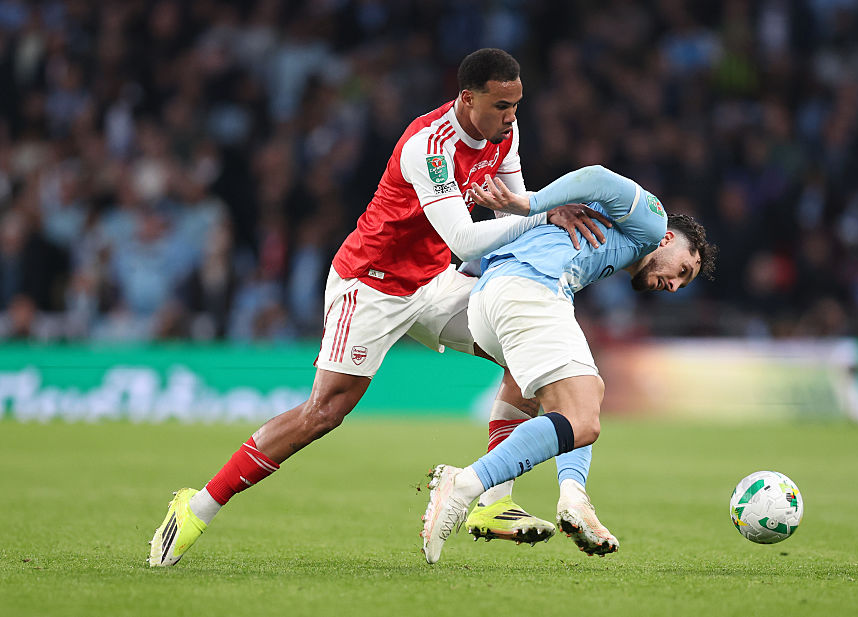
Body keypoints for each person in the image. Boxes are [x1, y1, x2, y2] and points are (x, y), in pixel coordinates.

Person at [148, 49, 613, 566]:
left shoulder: (506, 133)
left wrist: (543, 212)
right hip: (370, 283)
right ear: (467, 98)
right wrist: (545, 215)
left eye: (516, 105)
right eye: (500, 105)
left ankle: (492, 504)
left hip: (433, 282)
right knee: (324, 412)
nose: (510, 116)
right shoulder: (428, 146)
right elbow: (465, 237)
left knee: (523, 354)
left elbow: (512, 209)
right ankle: (199, 504)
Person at [419, 165, 718, 563]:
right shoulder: (652, 224)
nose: (675, 285)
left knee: (563, 391)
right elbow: (598, 177)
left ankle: (525, 501)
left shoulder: (596, 238)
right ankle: (465, 484)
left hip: (487, 300)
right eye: (682, 270)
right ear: (667, 240)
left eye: (683, 283)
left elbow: (499, 248)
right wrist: (529, 204)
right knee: (584, 418)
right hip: (529, 290)